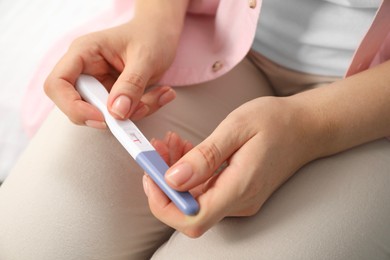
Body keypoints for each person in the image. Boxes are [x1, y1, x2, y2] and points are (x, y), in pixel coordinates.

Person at [1, 0, 389, 259]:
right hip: (219, 36)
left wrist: (308, 125)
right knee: (32, 243)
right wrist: (156, 21)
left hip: (371, 113)